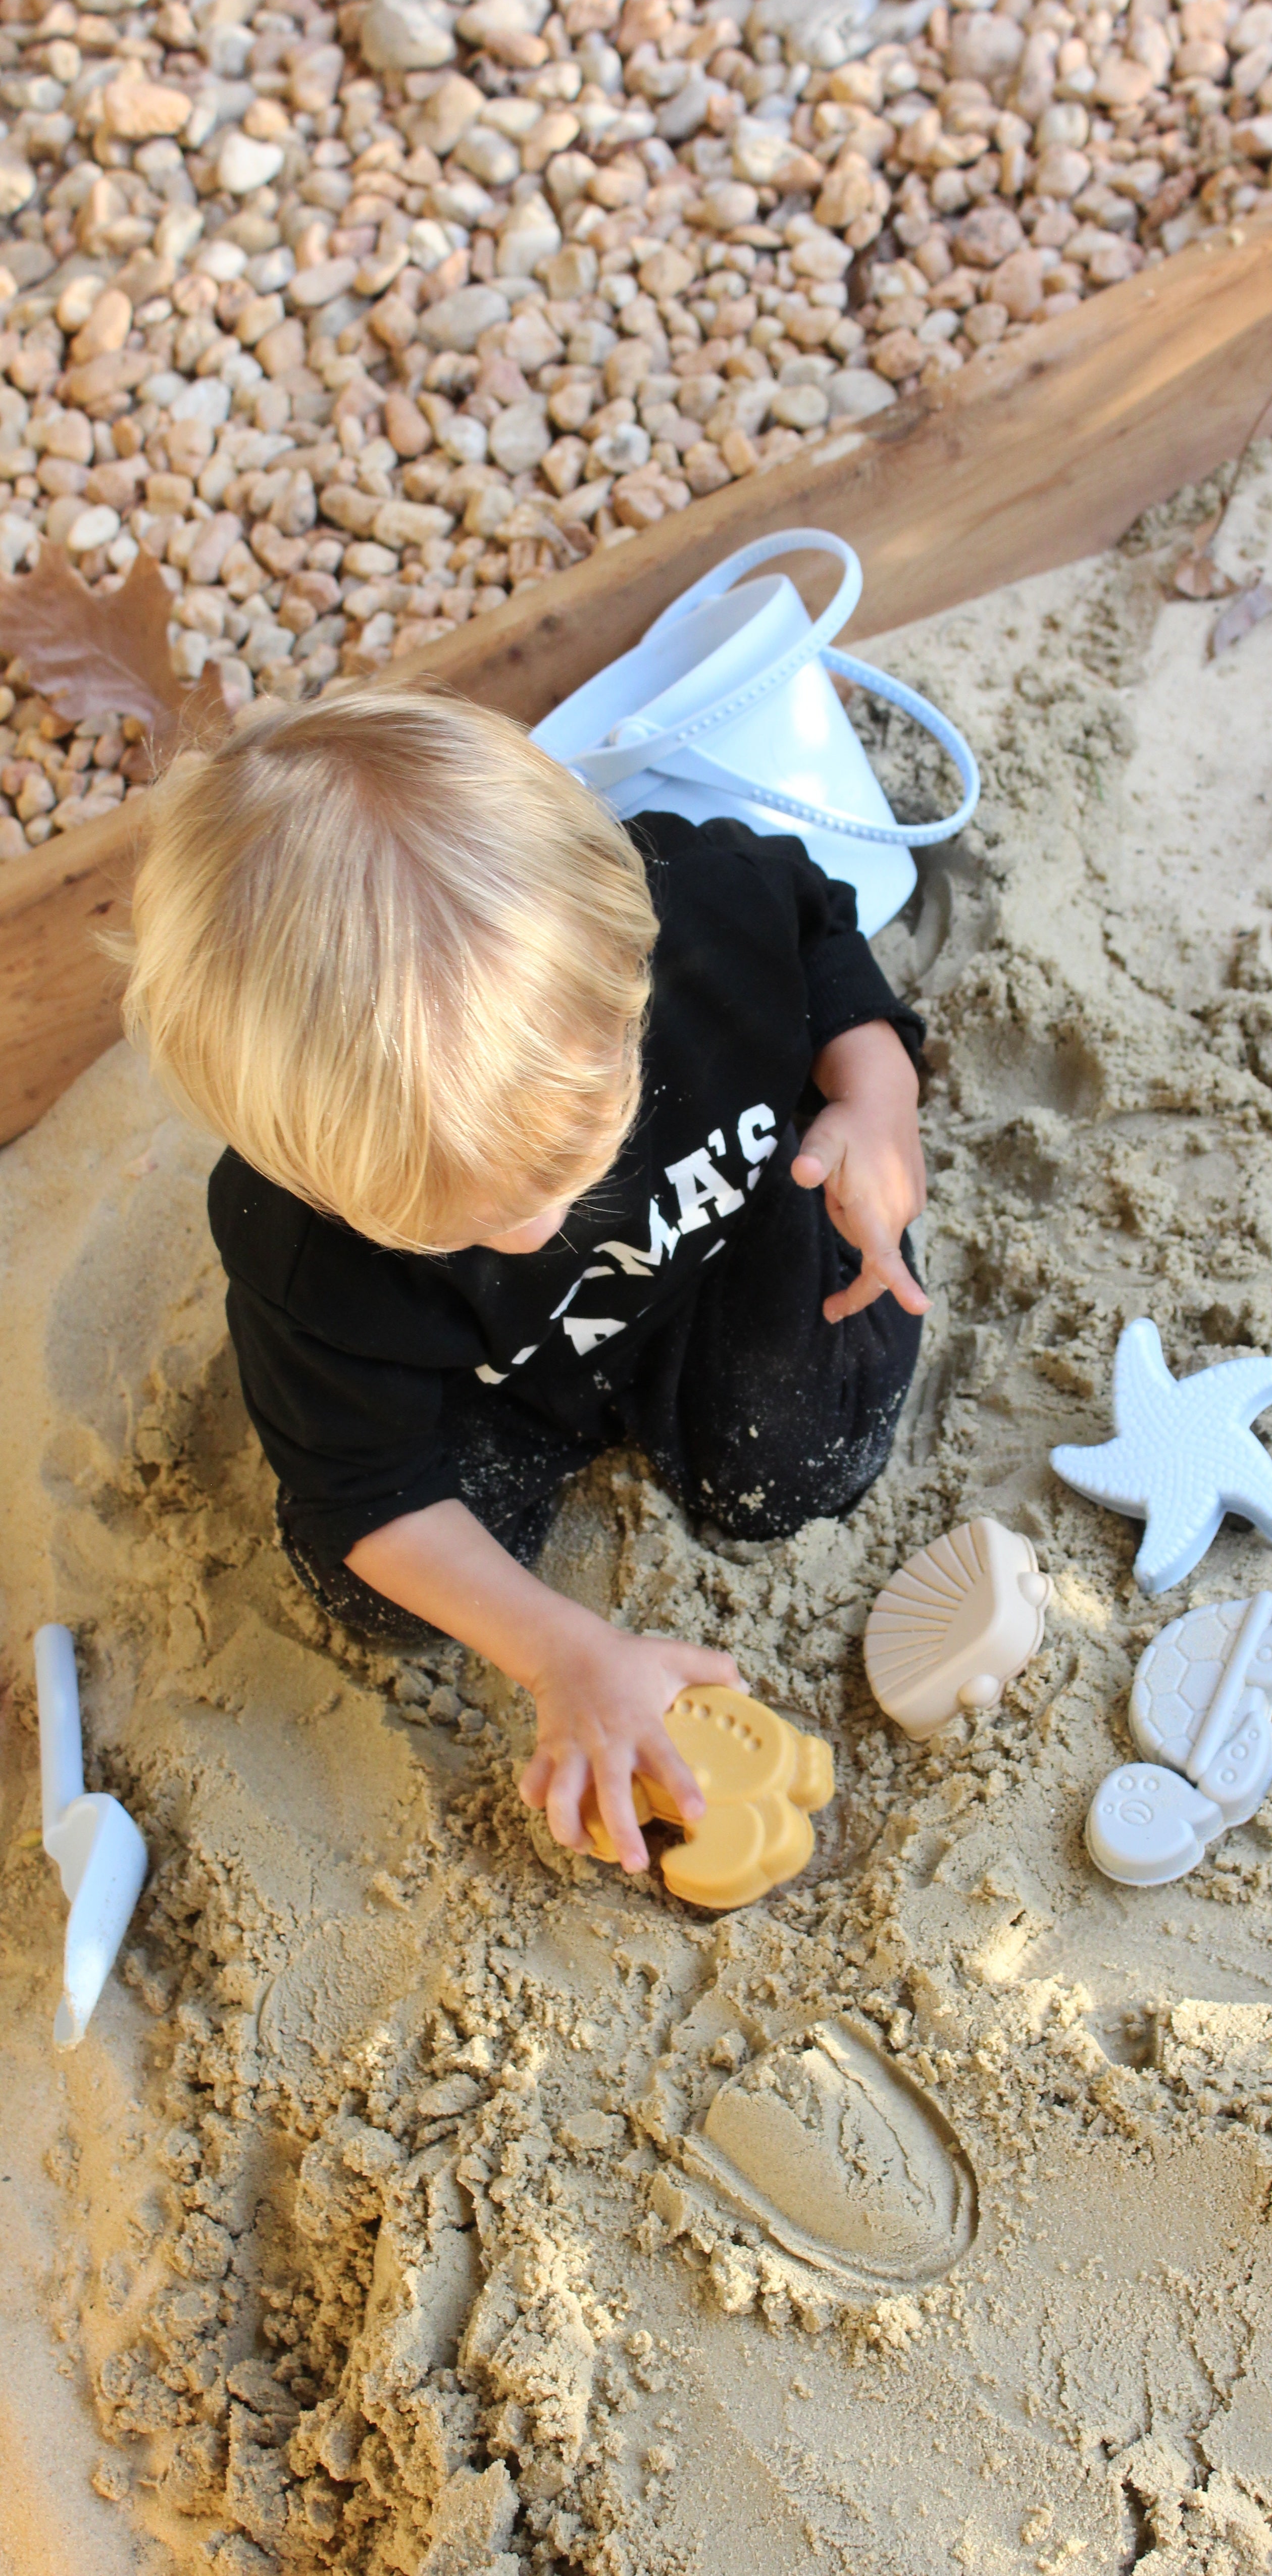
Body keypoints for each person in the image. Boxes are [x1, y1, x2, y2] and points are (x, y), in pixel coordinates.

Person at [120, 683, 928, 1878]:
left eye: (569, 1151)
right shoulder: (301, 1245)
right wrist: (559, 1649)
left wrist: (877, 1105)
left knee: (795, 1470)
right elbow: (365, 1484)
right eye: (460, 1215)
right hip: (503, 1376)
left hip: (718, 1240)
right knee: (382, 1600)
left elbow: (824, 935)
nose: (533, 1223)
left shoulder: (704, 910)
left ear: (627, 962)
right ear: (301, 1169)